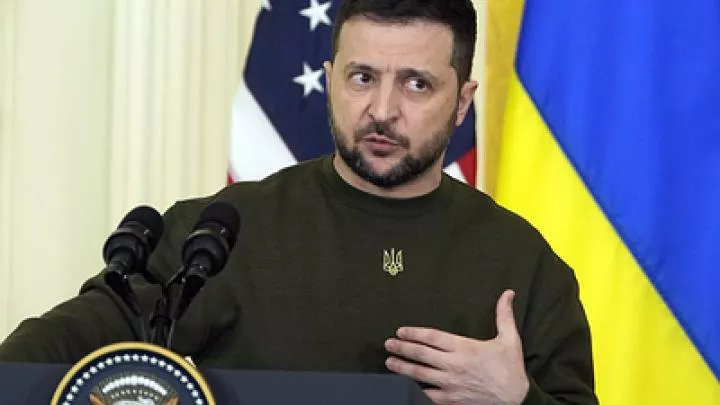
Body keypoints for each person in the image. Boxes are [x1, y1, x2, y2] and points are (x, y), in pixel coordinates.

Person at [0, 1, 598, 404]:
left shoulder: (523, 262)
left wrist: (517, 400)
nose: (382, 110)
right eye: (362, 77)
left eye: (416, 84)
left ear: (463, 101)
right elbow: (65, 344)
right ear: (330, 78)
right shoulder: (221, 236)